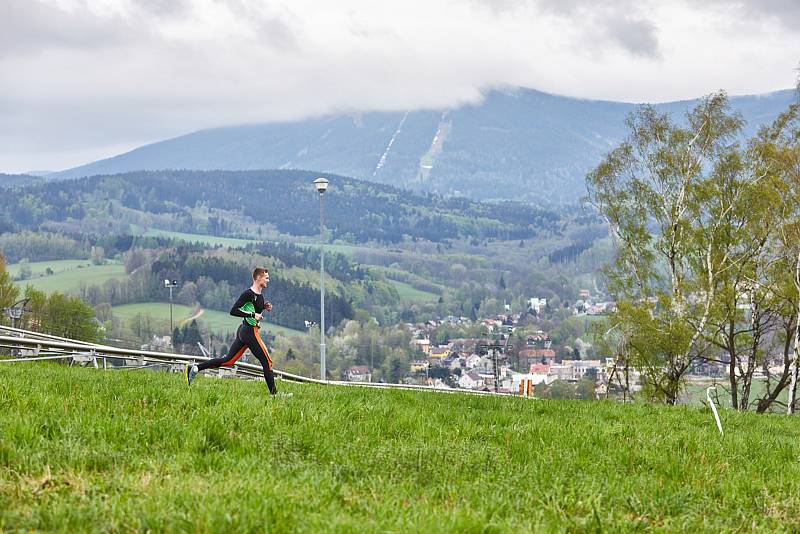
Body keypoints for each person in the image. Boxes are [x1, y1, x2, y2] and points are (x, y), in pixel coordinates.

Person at [185, 267, 289, 397]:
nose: (268, 280)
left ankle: (194, 368)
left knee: (228, 361)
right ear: (258, 278)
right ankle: (274, 395)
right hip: (250, 332)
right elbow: (233, 310)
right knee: (267, 362)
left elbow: (254, 306)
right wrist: (253, 315)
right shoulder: (248, 294)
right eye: (266, 277)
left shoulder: (259, 295)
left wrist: (264, 306)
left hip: (244, 331)